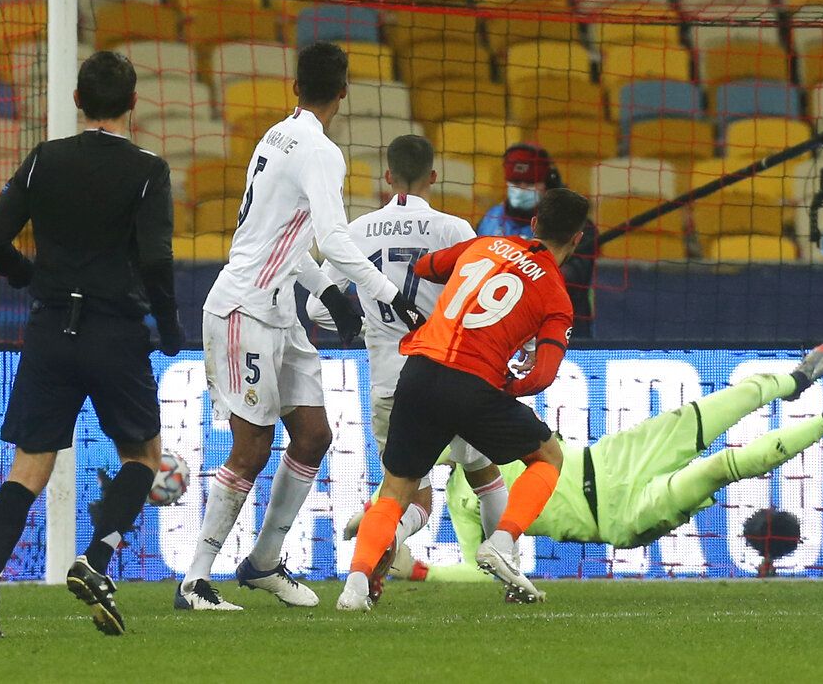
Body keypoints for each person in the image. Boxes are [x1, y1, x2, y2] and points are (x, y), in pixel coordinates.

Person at [174, 41, 422, 611]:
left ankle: (262, 562)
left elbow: (282, 238)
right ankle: (194, 580)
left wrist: (329, 290)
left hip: (279, 309)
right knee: (253, 447)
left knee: (313, 436)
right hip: (246, 308)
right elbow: (332, 239)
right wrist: (386, 294)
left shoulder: (276, 135)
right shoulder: (321, 150)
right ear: (344, 91)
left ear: (295, 88)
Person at [0, 51, 183, 638]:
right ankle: (95, 560)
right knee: (142, 457)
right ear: (133, 104)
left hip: (50, 331)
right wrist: (168, 326)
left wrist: (24, 274)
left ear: (76, 101)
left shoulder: (44, 160)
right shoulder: (147, 170)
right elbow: (157, 258)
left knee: (28, 469)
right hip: (114, 332)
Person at [398, 345, 823, 597]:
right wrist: (420, 571)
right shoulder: (465, 500)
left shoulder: (489, 423)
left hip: (611, 460)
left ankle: (796, 379)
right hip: (620, 517)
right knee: (717, 470)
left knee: (704, 412)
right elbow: (484, 569)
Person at [337, 187, 591, 611]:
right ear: (578, 239)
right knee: (547, 455)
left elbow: (425, 266)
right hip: (473, 385)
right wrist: (508, 387)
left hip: (416, 372)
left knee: (396, 490)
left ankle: (355, 587)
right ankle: (502, 543)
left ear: (533, 224)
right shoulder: (557, 298)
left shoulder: (484, 244)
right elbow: (542, 375)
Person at [305, 134, 510, 603]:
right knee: (484, 475)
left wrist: (365, 322)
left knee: (406, 492)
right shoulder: (454, 229)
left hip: (388, 382)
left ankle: (369, 565)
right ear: (433, 177)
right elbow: (481, 302)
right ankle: (507, 570)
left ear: (388, 176)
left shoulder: (356, 231)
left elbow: (322, 311)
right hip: (448, 374)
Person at [477, 144, 596, 336]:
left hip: (565, 333)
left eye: (530, 183)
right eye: (515, 182)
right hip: (499, 331)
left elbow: (571, 279)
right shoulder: (489, 220)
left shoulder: (576, 225)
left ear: (548, 182)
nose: (521, 189)